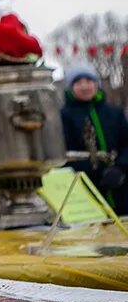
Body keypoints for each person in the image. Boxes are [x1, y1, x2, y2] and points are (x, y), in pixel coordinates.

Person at [61, 66, 128, 214]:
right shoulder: (64, 116)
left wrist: (120, 168)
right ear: (71, 88)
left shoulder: (114, 112)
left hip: (121, 186)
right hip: (84, 191)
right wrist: (89, 173)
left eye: (89, 80)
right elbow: (63, 152)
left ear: (96, 84)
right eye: (78, 82)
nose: (84, 86)